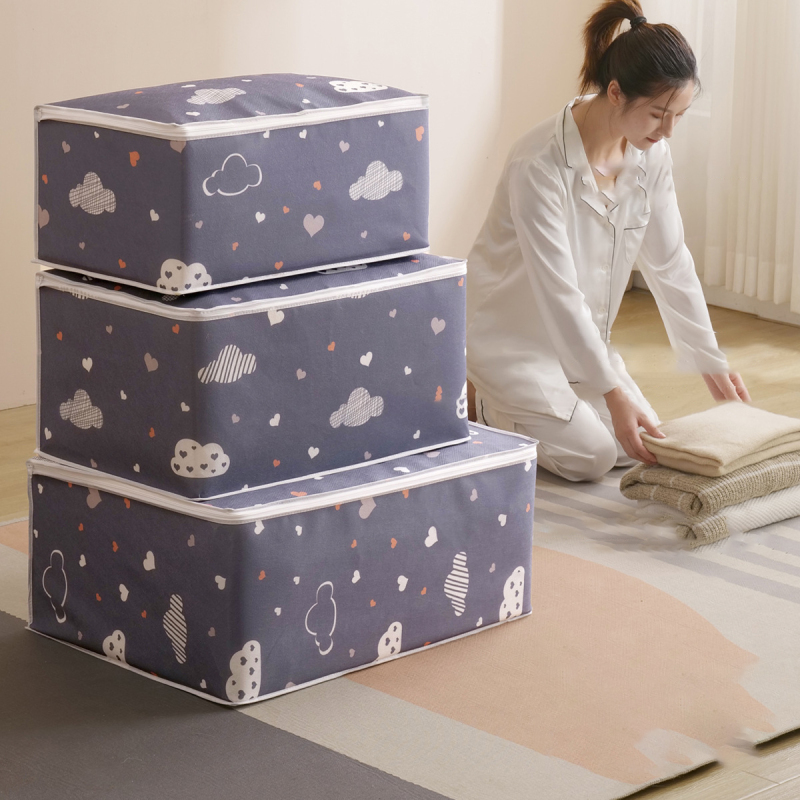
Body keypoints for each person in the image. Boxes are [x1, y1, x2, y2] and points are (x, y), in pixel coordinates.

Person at [465, 0, 750, 482]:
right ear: (615, 93)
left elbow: (671, 264)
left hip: (583, 344)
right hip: (511, 342)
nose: (668, 131)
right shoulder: (538, 164)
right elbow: (559, 295)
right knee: (591, 458)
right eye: (658, 114)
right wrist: (613, 394)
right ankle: (485, 402)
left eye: (679, 115)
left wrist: (711, 364)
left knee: (638, 445)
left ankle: (571, 400)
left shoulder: (649, 156)